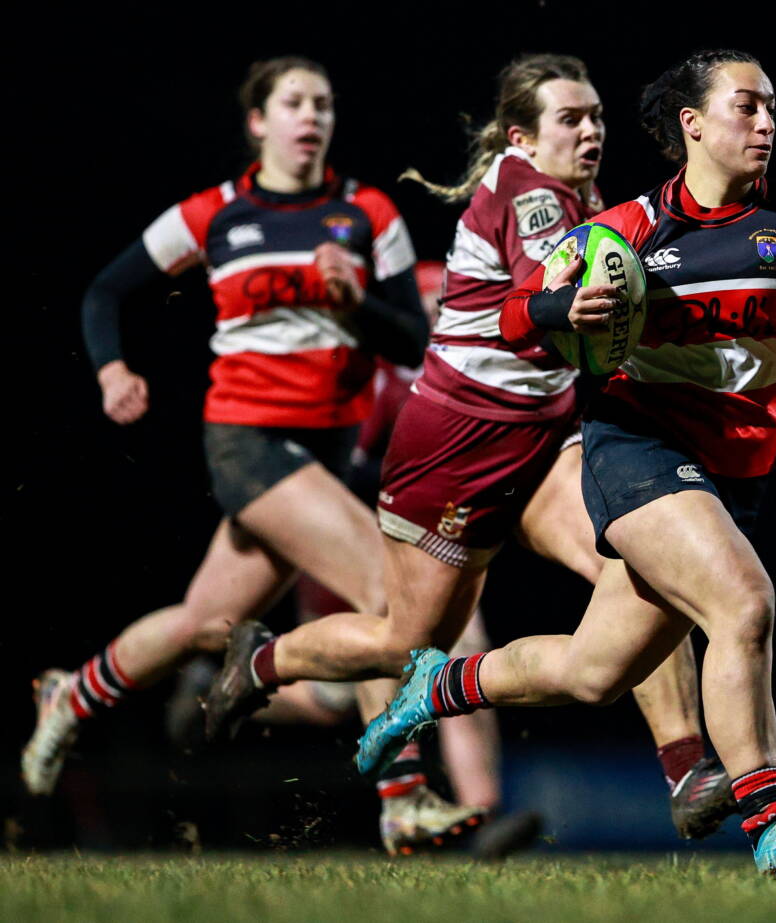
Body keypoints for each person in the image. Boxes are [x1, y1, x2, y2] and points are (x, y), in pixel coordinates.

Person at [357, 48, 776, 877]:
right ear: (693, 127)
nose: (766, 124)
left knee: (593, 669)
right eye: (746, 108)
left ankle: (437, 684)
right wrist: (557, 304)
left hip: (739, 470)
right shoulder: (625, 231)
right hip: (638, 446)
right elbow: (511, 314)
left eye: (773, 109)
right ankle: (772, 817)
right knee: (744, 602)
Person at [204, 53, 737, 843]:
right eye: (570, 118)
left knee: (642, 564)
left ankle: (688, 767)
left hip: (546, 438)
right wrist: (583, 305)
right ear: (522, 135)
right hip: (454, 446)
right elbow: (538, 293)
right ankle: (261, 662)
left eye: (595, 116)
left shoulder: (581, 194)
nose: (590, 130)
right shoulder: (529, 191)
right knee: (405, 642)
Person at [18, 56, 465, 846]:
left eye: (323, 103)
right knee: (384, 590)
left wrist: (352, 301)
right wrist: (112, 368)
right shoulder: (214, 214)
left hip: (323, 455)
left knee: (203, 620)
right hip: (247, 441)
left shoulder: (368, 213)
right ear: (258, 121)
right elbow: (104, 292)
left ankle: (72, 694)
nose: (311, 116)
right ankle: (404, 795)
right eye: (293, 102)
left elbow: (415, 338)